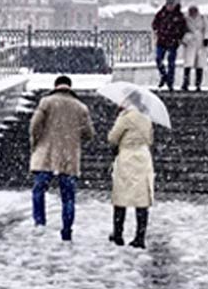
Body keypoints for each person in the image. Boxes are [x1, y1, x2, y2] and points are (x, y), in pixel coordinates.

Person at [29, 75, 95, 242]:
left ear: (56, 86)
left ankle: (39, 222)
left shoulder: (46, 102)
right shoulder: (81, 107)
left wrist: (36, 142)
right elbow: (89, 134)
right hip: (69, 157)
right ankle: (67, 230)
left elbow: (34, 126)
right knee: (68, 197)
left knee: (38, 190)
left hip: (47, 155)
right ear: (70, 87)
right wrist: (73, 136)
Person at [107, 90, 155, 249]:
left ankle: (118, 234)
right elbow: (150, 139)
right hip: (143, 157)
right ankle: (139, 237)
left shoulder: (126, 117)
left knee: (121, 196)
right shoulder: (147, 117)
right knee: (142, 199)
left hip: (126, 157)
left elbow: (112, 138)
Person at [152, 0, 187, 91]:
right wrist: (158, 31)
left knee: (171, 63)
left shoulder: (179, 15)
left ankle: (170, 82)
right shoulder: (161, 13)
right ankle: (164, 76)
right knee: (158, 59)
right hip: (162, 41)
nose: (170, 7)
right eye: (168, 5)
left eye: (171, 5)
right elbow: (154, 23)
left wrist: (178, 37)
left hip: (173, 41)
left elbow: (183, 28)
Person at [181, 6, 208, 91]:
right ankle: (186, 83)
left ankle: (198, 84)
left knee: (199, 64)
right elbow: (182, 30)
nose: (193, 13)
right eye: (191, 11)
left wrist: (206, 38)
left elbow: (207, 29)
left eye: (194, 11)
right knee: (188, 64)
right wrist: (185, 39)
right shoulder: (186, 19)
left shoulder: (202, 18)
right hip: (190, 43)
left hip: (200, 43)